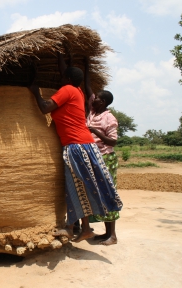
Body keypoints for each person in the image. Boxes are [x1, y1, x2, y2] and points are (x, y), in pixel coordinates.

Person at [28, 53, 123, 243]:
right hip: (81, 145)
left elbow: (46, 107)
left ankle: (77, 228)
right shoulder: (77, 91)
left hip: (77, 146)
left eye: (63, 77)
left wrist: (35, 92)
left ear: (68, 80)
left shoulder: (67, 90)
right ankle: (83, 228)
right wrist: (61, 57)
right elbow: (69, 74)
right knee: (78, 186)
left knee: (79, 187)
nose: (60, 79)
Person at [84, 57, 120, 245]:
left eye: (97, 97)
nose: (94, 98)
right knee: (96, 194)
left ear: (104, 101)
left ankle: (112, 235)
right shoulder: (93, 111)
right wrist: (87, 66)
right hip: (93, 157)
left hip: (106, 158)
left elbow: (113, 141)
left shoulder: (109, 118)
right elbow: (88, 87)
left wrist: (95, 131)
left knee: (108, 194)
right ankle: (104, 233)